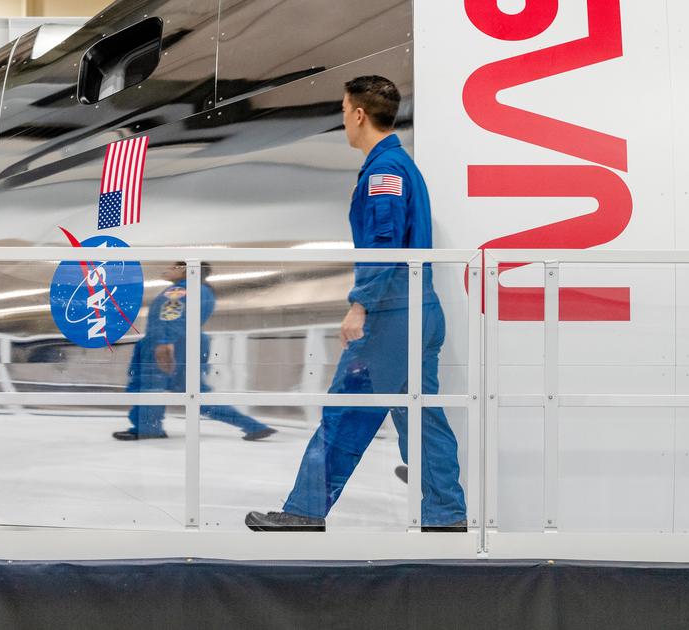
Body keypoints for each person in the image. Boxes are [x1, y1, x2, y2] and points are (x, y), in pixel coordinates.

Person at [246, 75, 467, 532]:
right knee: (421, 416)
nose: (343, 120)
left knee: (347, 412)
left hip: (391, 315)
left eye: (344, 111)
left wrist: (361, 304)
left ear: (360, 114)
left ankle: (306, 511)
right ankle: (446, 513)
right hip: (418, 311)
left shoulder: (384, 173)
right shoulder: (400, 166)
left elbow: (385, 245)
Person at [114, 261, 276, 441]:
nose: (167, 269)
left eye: (173, 266)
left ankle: (147, 428)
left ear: (185, 269)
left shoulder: (180, 290)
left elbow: (171, 317)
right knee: (197, 393)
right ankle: (253, 426)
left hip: (169, 344)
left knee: (151, 388)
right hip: (188, 342)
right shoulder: (204, 291)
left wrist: (164, 342)